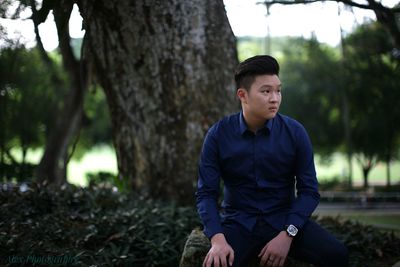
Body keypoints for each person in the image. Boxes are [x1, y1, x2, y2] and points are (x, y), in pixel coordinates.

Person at [196, 55, 349, 267]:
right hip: (238, 224)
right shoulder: (218, 135)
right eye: (266, 91)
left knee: (337, 254)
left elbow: (309, 191)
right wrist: (217, 238)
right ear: (243, 95)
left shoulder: (295, 132)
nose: (275, 98)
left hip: (284, 221)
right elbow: (206, 193)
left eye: (278, 90)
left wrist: (288, 234)